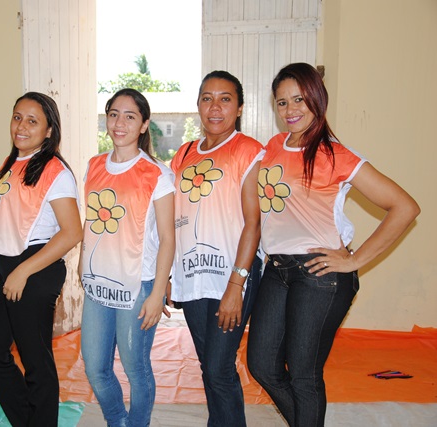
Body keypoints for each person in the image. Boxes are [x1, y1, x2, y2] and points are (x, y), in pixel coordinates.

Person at [247, 62, 421, 427]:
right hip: (276, 270)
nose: (290, 110)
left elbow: (405, 207)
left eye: (299, 99)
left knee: (303, 375)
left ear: (317, 99)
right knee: (261, 365)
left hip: (319, 277)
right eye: (282, 102)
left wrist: (354, 260)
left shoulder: (335, 154)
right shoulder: (273, 147)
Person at [0, 92, 82, 427]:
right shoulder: (10, 164)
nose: (21, 126)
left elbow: (72, 232)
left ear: (49, 131)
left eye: (32, 121)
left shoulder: (54, 171)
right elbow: (2, 225)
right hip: (6, 267)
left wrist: (23, 271)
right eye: (17, 117)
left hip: (34, 268)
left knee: (36, 362)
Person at [167, 71, 264, 427]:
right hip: (192, 274)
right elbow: (173, 217)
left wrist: (236, 285)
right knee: (210, 365)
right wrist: (170, 275)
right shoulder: (184, 153)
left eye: (225, 99)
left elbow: (253, 223)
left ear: (239, 108)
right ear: (198, 105)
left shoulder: (248, 150)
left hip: (232, 274)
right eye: (207, 98)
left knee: (220, 367)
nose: (215, 107)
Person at [79, 88, 175, 427]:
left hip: (138, 286)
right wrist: (82, 267)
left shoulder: (157, 174)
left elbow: (168, 239)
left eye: (130, 116)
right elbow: (92, 222)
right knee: (95, 367)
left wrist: (157, 292)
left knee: (136, 368)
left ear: (144, 124)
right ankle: (117, 420)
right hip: (98, 284)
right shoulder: (94, 165)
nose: (120, 123)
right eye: (114, 114)